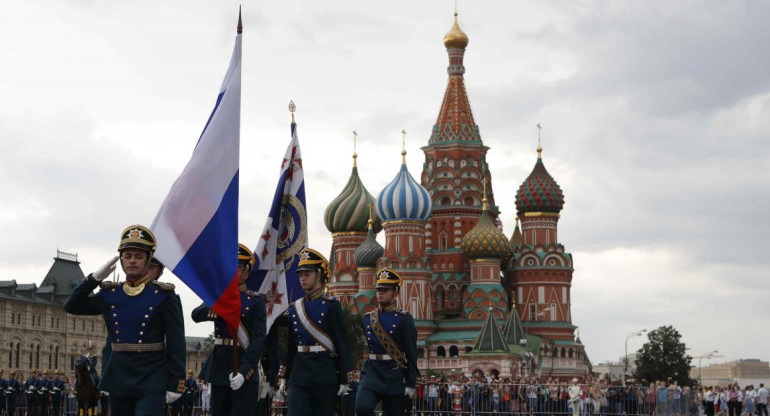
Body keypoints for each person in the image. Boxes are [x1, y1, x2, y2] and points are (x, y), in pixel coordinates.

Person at [64, 224, 186, 416]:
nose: (132, 261)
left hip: (151, 378)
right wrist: (94, 278)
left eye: (138, 256)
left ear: (147, 261)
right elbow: (72, 306)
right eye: (127, 256)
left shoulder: (164, 296)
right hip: (119, 377)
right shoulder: (110, 294)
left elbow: (176, 342)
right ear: (121, 260)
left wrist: (176, 382)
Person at [192, 244, 267, 416]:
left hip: (242, 367)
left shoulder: (255, 301)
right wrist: (220, 306)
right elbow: (196, 314)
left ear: (246, 273)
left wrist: (244, 371)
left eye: (238, 267)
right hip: (219, 368)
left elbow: (258, 340)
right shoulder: (218, 297)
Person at [278, 248, 350, 416]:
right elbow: (291, 347)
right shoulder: (295, 308)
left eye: (307, 274)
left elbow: (341, 343)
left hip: (324, 373)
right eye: (301, 274)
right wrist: (283, 375)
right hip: (300, 374)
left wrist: (344, 378)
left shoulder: (331, 305)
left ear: (319, 275)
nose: (302, 278)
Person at [354, 268, 419, 416]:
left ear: (396, 292)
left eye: (385, 290)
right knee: (362, 407)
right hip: (372, 373)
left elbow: (411, 353)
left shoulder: (404, 319)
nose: (380, 293)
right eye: (378, 289)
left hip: (394, 375)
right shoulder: (368, 318)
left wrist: (410, 382)